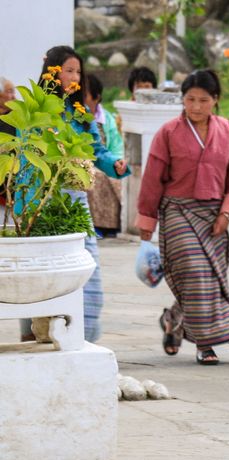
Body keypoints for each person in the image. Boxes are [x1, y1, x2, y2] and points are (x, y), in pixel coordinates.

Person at [136, 69, 229, 366]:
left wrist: (227, 212)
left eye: (202, 100)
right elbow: (152, 179)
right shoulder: (168, 132)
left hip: (213, 214)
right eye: (189, 100)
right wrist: (147, 221)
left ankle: (174, 319)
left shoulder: (226, 130)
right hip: (177, 212)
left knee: (209, 278)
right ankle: (205, 344)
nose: (195, 106)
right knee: (198, 274)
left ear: (215, 100)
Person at [25, 47, 129, 342]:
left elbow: (96, 151)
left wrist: (114, 165)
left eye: (77, 72)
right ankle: (36, 337)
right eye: (67, 70)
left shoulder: (80, 113)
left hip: (77, 203)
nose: (73, 77)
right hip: (42, 203)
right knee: (43, 278)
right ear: (52, 72)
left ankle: (85, 341)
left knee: (88, 274)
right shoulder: (36, 108)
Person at [85, 73, 125, 238]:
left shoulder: (107, 119)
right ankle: (98, 225)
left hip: (105, 160)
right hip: (84, 163)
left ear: (96, 98)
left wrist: (116, 162)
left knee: (117, 174)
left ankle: (115, 225)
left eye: (85, 95)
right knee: (96, 176)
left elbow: (116, 146)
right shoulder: (74, 117)